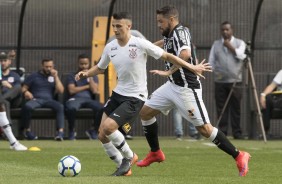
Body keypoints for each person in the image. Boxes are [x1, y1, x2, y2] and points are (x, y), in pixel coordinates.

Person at [75, 11, 210, 176]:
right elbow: (101, 68)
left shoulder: (140, 43)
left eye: (119, 26)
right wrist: (86, 73)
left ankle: (130, 156)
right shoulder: (111, 47)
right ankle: (123, 168)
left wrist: (192, 67)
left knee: (109, 127)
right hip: (118, 94)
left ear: (128, 26)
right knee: (102, 135)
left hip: (135, 96)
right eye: (113, 26)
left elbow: (168, 55)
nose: (115, 30)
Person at [137, 5, 250, 177]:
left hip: (186, 89)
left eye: (161, 21)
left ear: (172, 20)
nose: (158, 25)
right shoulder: (170, 33)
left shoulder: (181, 32)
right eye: (157, 21)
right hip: (171, 86)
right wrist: (147, 47)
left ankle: (239, 155)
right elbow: (164, 43)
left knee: (205, 129)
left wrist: (168, 71)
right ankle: (155, 153)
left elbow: (185, 54)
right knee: (145, 113)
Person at [208, 21, 246, 139]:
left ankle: (237, 132)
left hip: (235, 81)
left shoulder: (240, 43)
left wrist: (230, 46)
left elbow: (242, 56)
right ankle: (222, 132)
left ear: (232, 30)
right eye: (223, 30)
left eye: (227, 29)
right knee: (221, 108)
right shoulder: (216, 44)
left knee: (236, 108)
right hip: (220, 81)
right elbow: (211, 61)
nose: (225, 32)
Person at [20, 58, 65, 141]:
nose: (48, 68)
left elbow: (61, 90)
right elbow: (23, 88)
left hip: (49, 100)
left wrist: (56, 77)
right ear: (42, 66)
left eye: (50, 66)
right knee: (27, 107)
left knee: (60, 107)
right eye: (46, 66)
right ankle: (27, 131)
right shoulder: (33, 76)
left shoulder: (54, 76)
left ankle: (60, 133)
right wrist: (26, 92)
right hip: (36, 99)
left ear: (53, 66)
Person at [65, 53, 103, 140]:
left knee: (102, 107)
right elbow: (71, 90)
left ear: (89, 64)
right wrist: (86, 87)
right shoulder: (71, 75)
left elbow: (94, 90)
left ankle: (93, 130)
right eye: (81, 64)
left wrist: (90, 77)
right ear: (78, 64)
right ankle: (71, 131)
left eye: (85, 64)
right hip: (75, 99)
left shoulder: (93, 76)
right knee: (71, 108)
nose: (84, 66)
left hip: (89, 100)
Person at [0, 52, 27, 151]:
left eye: (4, 60)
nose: (2, 63)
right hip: (4, 100)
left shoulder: (14, 75)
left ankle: (13, 142)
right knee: (3, 105)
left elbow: (17, 88)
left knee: (2, 104)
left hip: (13, 100)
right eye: (0, 61)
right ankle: (14, 142)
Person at [260, 69, 282, 137]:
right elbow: (272, 86)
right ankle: (265, 132)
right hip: (279, 100)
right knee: (268, 98)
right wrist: (263, 95)